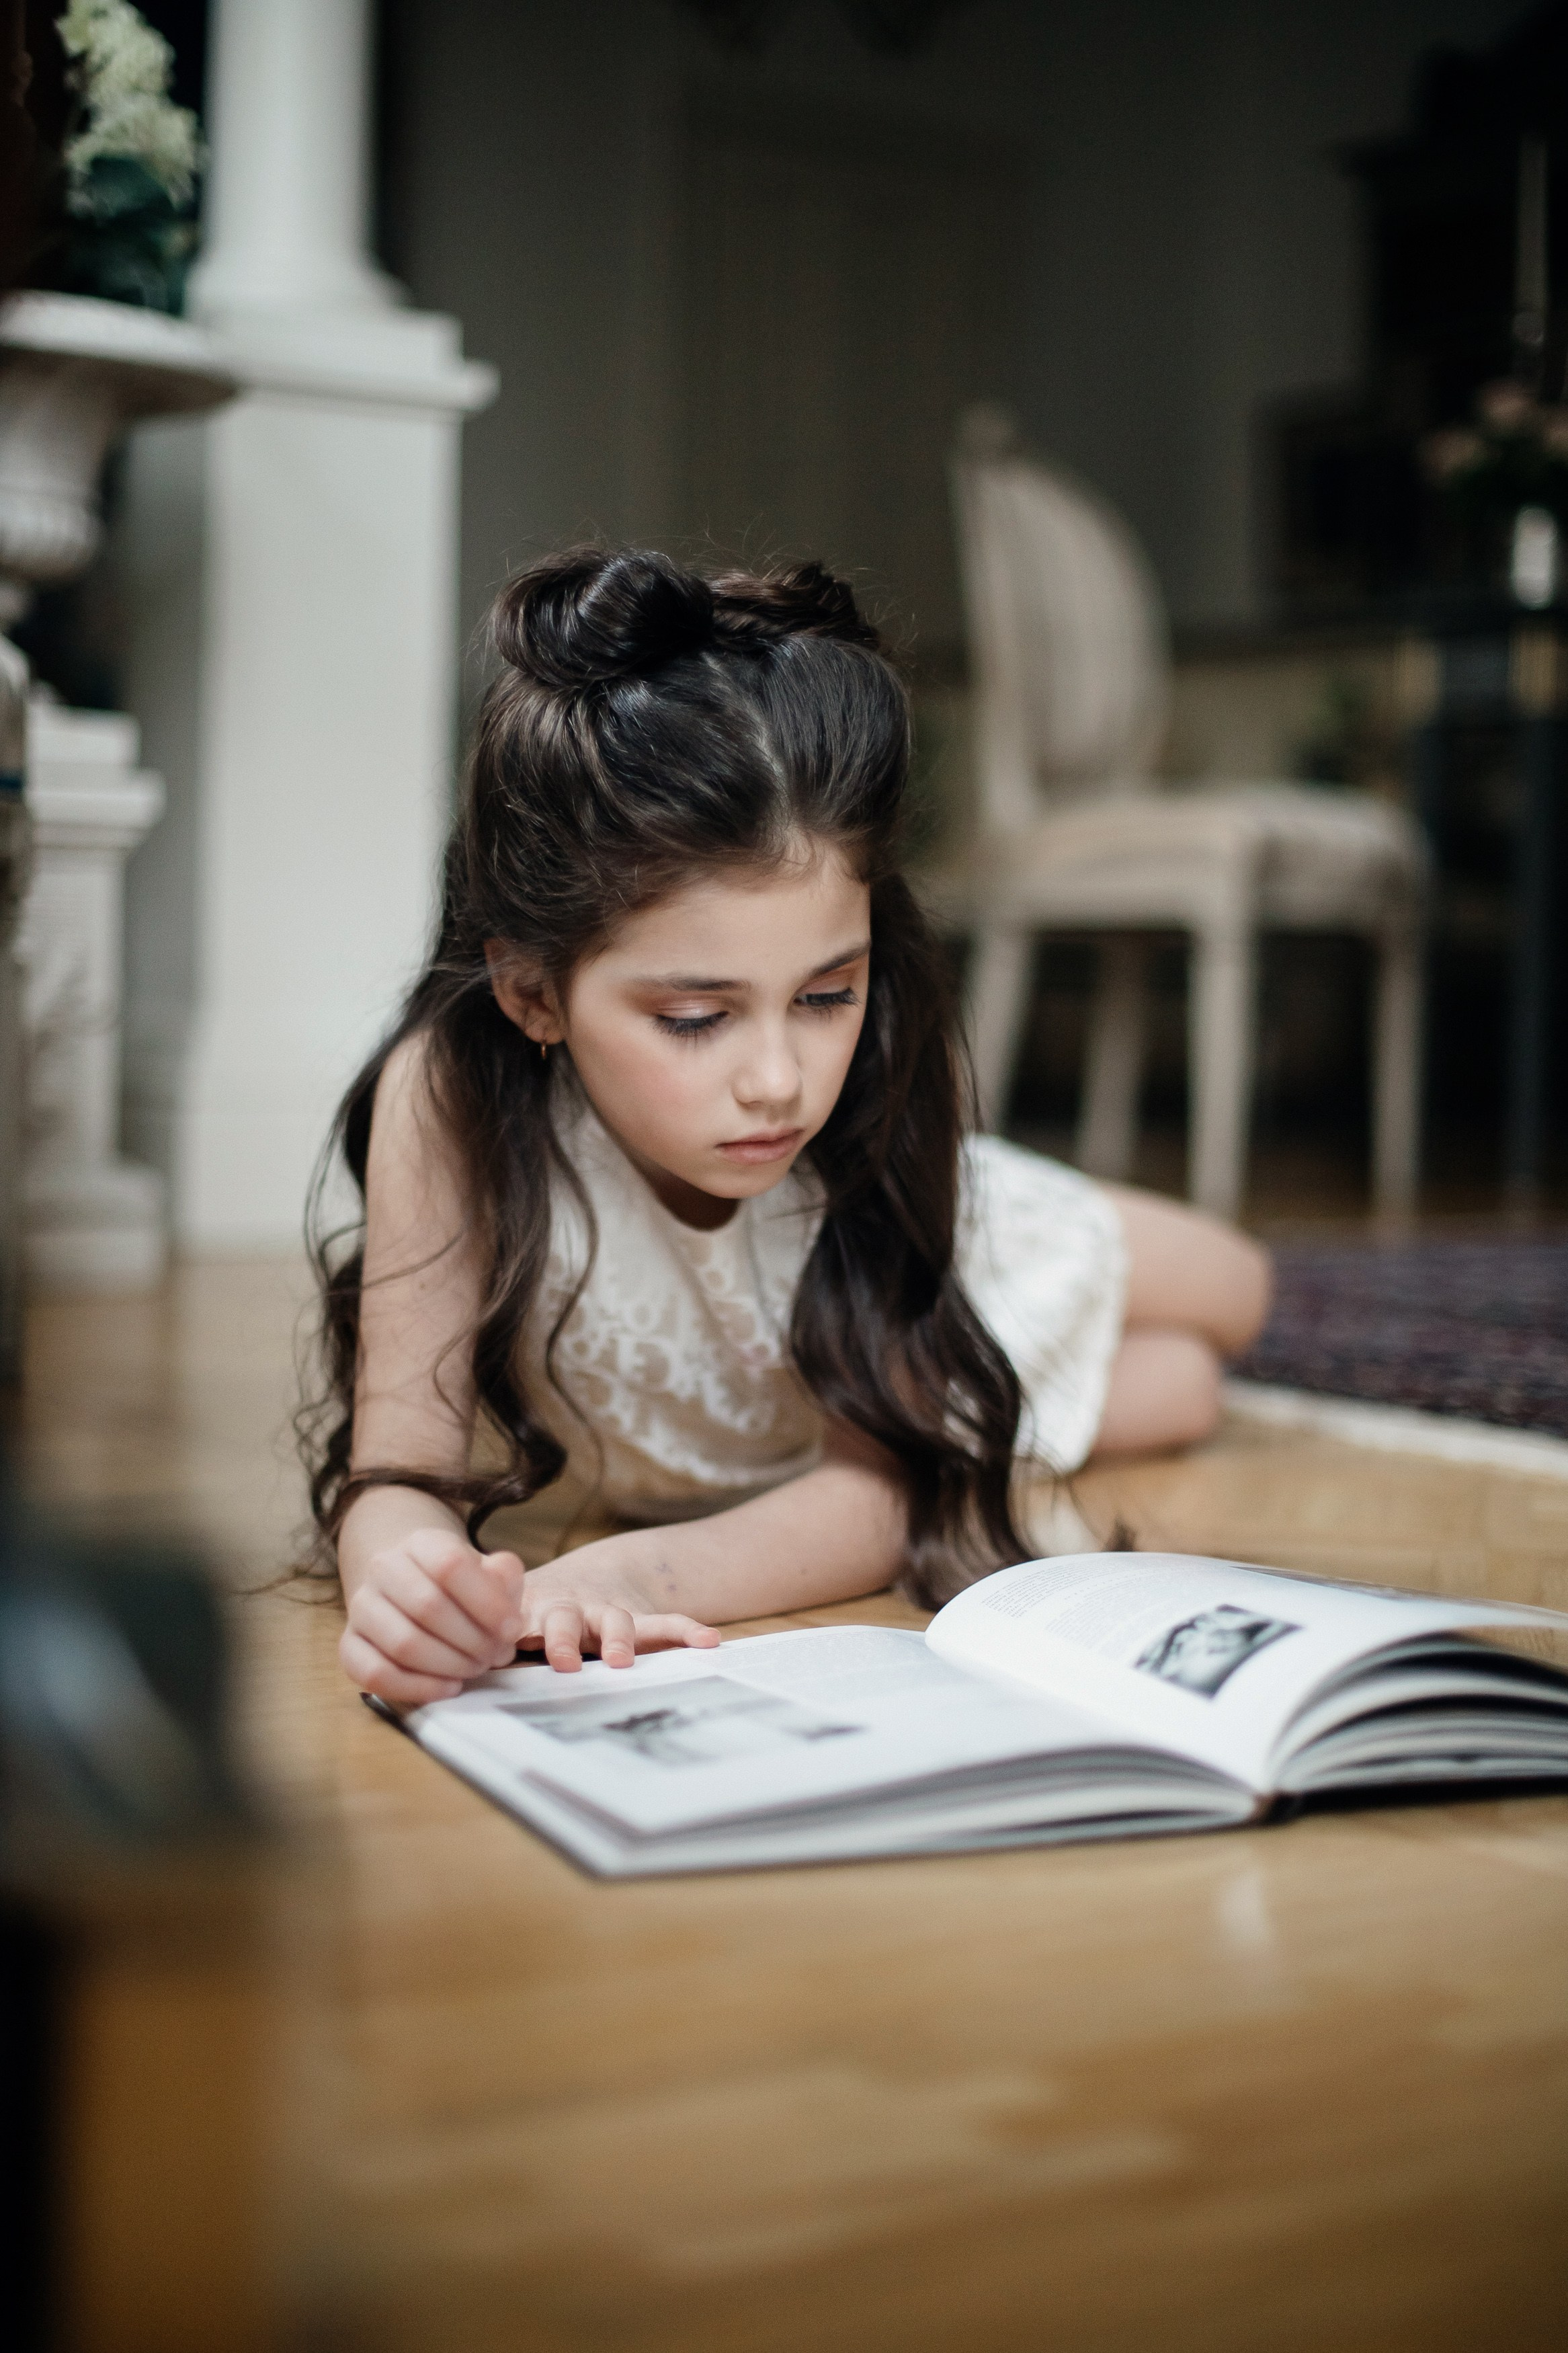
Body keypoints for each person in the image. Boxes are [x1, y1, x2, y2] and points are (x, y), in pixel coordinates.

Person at [305, 548, 1271, 1706]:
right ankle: (1003, 1405)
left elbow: (880, 1485)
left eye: (825, 995)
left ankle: (1002, 1382)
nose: (779, 1081)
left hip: (932, 1288)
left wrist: (632, 1569)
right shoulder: (450, 1091)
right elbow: (397, 1471)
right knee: (1179, 1388)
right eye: (696, 1016)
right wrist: (409, 1580)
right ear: (531, 993)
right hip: (804, 1425)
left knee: (1234, 1297)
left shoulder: (863, 1071)